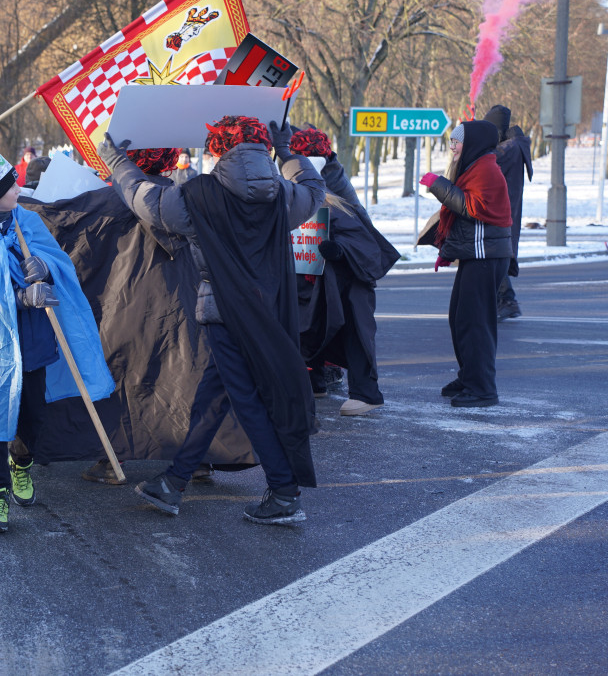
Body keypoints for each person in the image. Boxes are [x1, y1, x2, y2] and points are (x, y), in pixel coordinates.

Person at [98, 115, 325, 525]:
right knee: (214, 396)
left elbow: (145, 200)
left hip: (224, 313)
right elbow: (314, 189)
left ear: (218, 148)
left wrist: (117, 162)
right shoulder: (282, 194)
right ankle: (174, 482)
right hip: (269, 313)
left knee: (246, 400)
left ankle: (284, 493)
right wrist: (288, 152)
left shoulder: (198, 195)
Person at [23, 147, 257, 485]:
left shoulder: (110, 198)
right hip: (182, 305)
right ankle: (199, 456)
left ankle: (111, 458)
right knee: (186, 378)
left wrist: (4, 201)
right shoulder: (187, 197)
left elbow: (61, 219)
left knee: (119, 380)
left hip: (122, 304)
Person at [0, 147, 113, 534]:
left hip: (33, 336)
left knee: (33, 413)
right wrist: (20, 296)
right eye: (10, 186)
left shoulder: (26, 220)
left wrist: (46, 267)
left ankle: (21, 464)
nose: (17, 189)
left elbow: (58, 262)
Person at [289, 128, 400, 416]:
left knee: (353, 329)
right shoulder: (301, 190)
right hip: (310, 273)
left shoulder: (336, 196)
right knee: (307, 325)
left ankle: (366, 392)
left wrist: (340, 251)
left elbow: (361, 237)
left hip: (346, 278)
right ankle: (313, 381)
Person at [420, 119, 512, 408]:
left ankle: (482, 388)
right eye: (451, 141)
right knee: (460, 319)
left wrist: (439, 186)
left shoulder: (486, 169)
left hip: (485, 256)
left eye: (456, 141)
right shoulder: (475, 166)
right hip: (477, 254)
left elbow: (475, 208)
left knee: (475, 324)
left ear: (471, 143)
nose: (453, 147)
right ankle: (470, 377)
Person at [481, 105, 532, 322]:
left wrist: (472, 138)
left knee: (493, 255)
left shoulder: (508, 149)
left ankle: (507, 301)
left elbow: (484, 161)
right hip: (503, 209)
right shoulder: (511, 146)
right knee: (493, 255)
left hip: (500, 212)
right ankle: (501, 301)